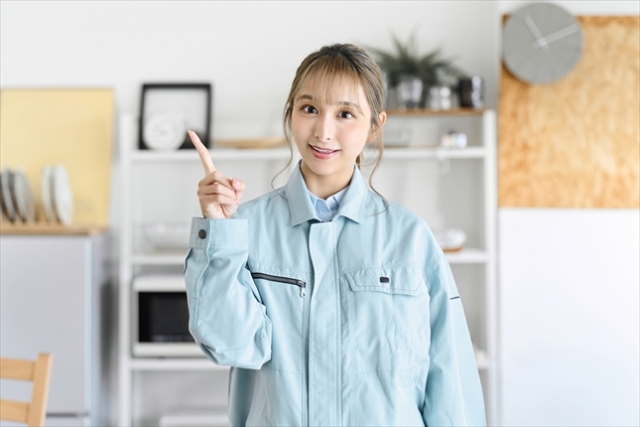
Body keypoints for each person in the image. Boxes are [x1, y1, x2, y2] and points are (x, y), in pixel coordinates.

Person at [184, 43, 486, 426]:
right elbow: (231, 345)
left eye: (345, 114)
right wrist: (220, 232)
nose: (323, 131)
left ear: (375, 126)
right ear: (291, 113)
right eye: (309, 109)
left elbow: (451, 379)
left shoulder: (410, 239)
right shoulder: (245, 228)